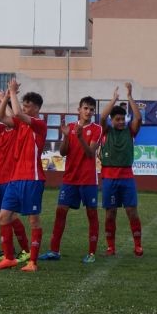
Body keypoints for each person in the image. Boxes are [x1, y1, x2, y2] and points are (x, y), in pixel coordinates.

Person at [0, 78, 46, 272]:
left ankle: (33, 261)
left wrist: (12, 92)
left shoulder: (38, 123)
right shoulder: (20, 124)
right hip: (15, 179)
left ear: (37, 108)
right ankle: (9, 258)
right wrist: (5, 98)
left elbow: (16, 113)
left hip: (33, 178)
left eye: (28, 105)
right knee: (3, 216)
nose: (24, 107)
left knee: (33, 219)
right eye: (24, 104)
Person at [40, 96, 103, 263]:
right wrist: (67, 137)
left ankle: (91, 253)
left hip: (88, 179)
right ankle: (54, 251)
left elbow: (90, 154)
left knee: (91, 214)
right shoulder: (70, 127)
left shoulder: (97, 129)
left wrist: (81, 137)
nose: (88, 112)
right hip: (70, 178)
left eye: (91, 109)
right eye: (86, 108)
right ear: (79, 110)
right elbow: (62, 153)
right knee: (60, 211)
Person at [98, 83, 143, 257]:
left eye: (123, 119)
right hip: (109, 178)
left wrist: (130, 97)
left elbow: (138, 118)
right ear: (112, 120)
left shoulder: (130, 131)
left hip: (127, 178)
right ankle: (111, 247)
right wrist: (114, 99)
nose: (121, 122)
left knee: (132, 211)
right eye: (118, 119)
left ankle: (138, 245)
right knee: (110, 213)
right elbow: (102, 117)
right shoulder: (106, 130)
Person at [0, 90, 30, 263]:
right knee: (3, 216)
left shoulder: (19, 128)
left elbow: (15, 118)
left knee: (11, 216)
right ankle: (8, 251)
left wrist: (7, 100)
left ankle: (25, 250)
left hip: (11, 178)